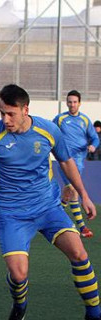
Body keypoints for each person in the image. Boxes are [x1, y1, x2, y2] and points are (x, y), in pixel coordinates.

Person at [0, 84, 101, 320]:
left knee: (80, 254)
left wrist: (84, 195)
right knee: (19, 274)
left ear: (25, 110)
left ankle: (94, 312)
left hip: (48, 208)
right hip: (12, 214)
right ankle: (20, 305)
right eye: (1, 113)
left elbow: (66, 161)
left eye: (10, 114)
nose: (5, 119)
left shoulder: (48, 130)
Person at [53, 90, 99, 238]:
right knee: (72, 189)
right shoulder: (60, 119)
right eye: (70, 102)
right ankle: (82, 227)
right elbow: (50, 133)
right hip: (65, 160)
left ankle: (55, 214)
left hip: (80, 161)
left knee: (69, 192)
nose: (72, 104)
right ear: (66, 103)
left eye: (75, 102)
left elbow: (95, 138)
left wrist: (93, 146)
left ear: (79, 103)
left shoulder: (85, 120)